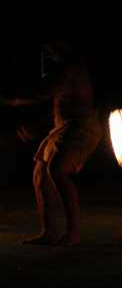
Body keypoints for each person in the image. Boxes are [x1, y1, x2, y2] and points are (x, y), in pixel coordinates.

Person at [1, 42, 101, 245]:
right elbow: (58, 104)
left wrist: (15, 100)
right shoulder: (62, 69)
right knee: (40, 173)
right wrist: (37, 126)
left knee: (58, 170)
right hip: (63, 128)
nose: (47, 50)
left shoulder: (71, 68)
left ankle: (73, 232)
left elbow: (46, 92)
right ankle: (49, 232)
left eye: (51, 46)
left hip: (81, 127)